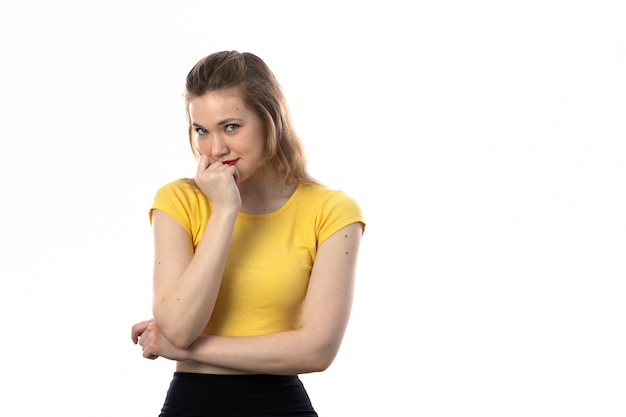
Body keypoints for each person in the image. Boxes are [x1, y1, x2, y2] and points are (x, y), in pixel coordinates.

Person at [131, 50, 365, 417]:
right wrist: (225, 211)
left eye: (231, 127)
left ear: (270, 120)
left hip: (282, 405)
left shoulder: (331, 211)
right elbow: (177, 328)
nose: (216, 148)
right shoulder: (178, 201)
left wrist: (190, 350)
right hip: (191, 405)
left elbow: (317, 351)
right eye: (201, 131)